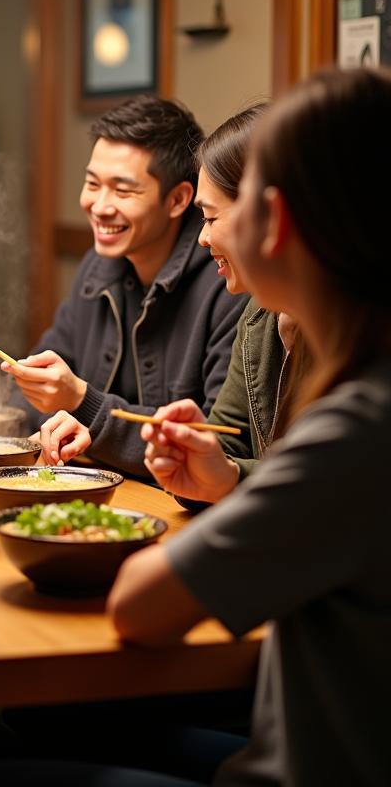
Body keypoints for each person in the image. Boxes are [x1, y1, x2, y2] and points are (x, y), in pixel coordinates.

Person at [107, 67, 391, 785]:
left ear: (281, 219)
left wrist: (233, 485)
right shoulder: (295, 339)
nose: (202, 237)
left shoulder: (360, 429)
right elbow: (237, 444)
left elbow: (140, 608)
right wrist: (223, 470)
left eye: (215, 211)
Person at [45, 103, 309, 502]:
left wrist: (90, 411)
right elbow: (224, 449)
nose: (203, 239)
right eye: (93, 184)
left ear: (271, 215)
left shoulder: (352, 327)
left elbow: (332, 481)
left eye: (211, 218)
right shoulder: (260, 313)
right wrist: (202, 467)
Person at [7, 96, 246, 476]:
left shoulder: (228, 280)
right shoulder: (97, 267)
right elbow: (40, 382)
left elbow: (221, 443)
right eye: (92, 184)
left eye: (122, 190)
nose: (99, 206)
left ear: (179, 199)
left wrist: (82, 402)